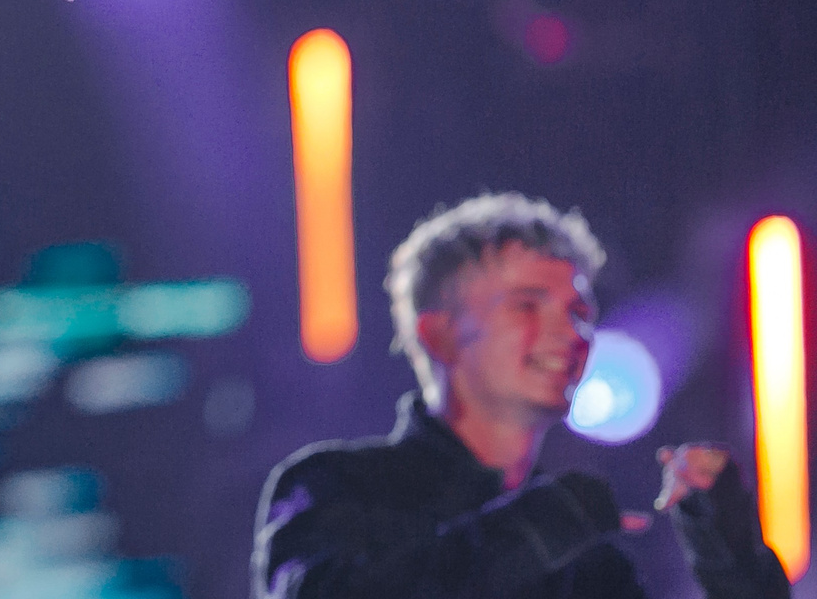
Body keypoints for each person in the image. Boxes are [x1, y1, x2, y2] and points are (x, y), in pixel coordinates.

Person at [252, 193, 791, 599]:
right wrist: (540, 526)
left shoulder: (587, 557)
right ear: (439, 336)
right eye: (527, 306)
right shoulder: (337, 487)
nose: (570, 333)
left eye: (579, 312)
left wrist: (732, 554)